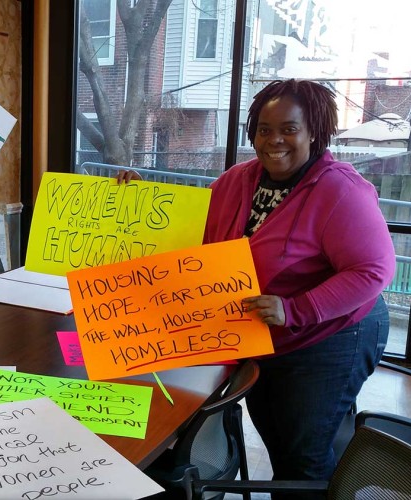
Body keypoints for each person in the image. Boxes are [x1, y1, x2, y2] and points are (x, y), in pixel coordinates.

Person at [119, 80, 395, 497]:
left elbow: (374, 270)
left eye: (289, 128)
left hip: (332, 335)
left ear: (314, 132)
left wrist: (296, 309)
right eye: (264, 129)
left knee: (303, 455)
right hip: (264, 333)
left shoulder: (340, 189)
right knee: (275, 428)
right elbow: (192, 228)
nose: (274, 140)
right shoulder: (239, 179)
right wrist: (139, 199)